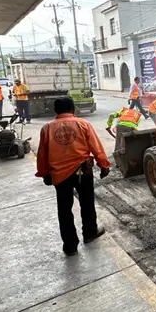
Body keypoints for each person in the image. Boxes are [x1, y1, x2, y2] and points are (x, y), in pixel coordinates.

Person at [35, 97, 110, 256]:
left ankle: (70, 246)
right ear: (73, 109)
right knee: (87, 203)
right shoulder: (84, 124)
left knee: (64, 209)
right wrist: (103, 165)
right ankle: (90, 234)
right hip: (82, 171)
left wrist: (44, 173)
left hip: (59, 174)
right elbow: (96, 147)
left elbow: (42, 154)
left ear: (56, 111)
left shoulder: (47, 128)